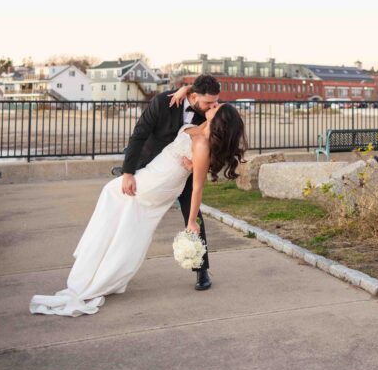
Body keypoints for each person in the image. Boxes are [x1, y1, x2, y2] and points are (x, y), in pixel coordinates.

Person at [29, 99, 246, 317]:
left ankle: (98, 265)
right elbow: (192, 139)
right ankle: (102, 266)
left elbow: (198, 187)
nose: (213, 105)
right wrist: (192, 163)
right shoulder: (199, 129)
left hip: (159, 182)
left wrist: (191, 222)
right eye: (214, 103)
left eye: (217, 107)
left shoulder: (202, 144)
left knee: (112, 194)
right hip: (154, 172)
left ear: (220, 120)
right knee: (124, 220)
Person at [120, 75, 222, 290]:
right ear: (193, 96)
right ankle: (120, 264)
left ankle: (201, 269)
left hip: (182, 173)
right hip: (152, 165)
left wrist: (196, 164)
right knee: (133, 213)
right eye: (208, 103)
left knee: (193, 215)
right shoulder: (162, 102)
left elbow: (211, 148)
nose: (213, 107)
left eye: (215, 102)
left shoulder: (209, 114)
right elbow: (139, 135)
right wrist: (128, 172)